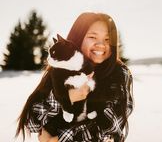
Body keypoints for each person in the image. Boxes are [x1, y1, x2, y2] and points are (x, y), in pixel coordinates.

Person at [15, 12, 134, 142]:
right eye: (93, 37)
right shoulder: (59, 69)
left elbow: (109, 129)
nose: (101, 44)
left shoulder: (119, 74)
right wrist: (69, 97)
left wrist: (56, 139)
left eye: (107, 39)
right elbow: (32, 121)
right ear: (78, 38)